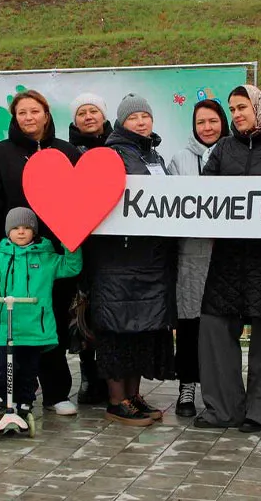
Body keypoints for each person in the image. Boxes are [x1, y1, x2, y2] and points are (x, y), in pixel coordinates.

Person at [196, 85, 261, 433]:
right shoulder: (223, 149)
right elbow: (204, 195)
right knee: (213, 327)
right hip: (226, 258)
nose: (237, 113)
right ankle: (222, 409)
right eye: (233, 108)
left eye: (243, 107)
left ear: (260, 108)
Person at [0, 90, 83, 415]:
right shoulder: (0, 154)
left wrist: (72, 241)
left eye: (34, 111)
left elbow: (81, 201)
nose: (28, 118)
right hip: (14, 256)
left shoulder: (66, 152)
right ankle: (14, 392)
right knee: (17, 327)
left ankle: (55, 393)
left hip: (52, 256)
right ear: (15, 117)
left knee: (50, 324)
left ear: (46, 115)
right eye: (22, 113)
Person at [85, 93, 176, 427]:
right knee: (117, 330)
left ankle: (134, 396)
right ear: (122, 122)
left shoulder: (156, 157)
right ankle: (115, 399)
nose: (141, 122)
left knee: (142, 330)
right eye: (134, 117)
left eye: (145, 116)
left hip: (151, 259)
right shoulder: (107, 156)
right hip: (117, 261)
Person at [0, 207, 82, 422]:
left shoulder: (46, 256)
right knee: (3, 369)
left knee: (27, 370)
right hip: (9, 328)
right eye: (16, 228)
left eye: (26, 227)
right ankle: (2, 404)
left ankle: (25, 403)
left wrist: (70, 243)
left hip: (34, 329)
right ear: (8, 232)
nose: (21, 232)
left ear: (34, 231)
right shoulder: (1, 257)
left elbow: (71, 267)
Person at [166, 99, 231, 417]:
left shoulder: (234, 154)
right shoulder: (179, 159)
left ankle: (219, 387)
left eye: (213, 121)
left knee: (220, 324)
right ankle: (187, 386)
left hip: (226, 253)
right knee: (189, 323)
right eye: (201, 122)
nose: (207, 127)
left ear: (223, 122)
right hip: (192, 253)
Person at [67, 92, 112, 405]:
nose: (88, 117)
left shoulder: (119, 147)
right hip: (79, 241)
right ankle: (87, 376)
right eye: (81, 112)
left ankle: (111, 376)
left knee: (108, 311)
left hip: (111, 243)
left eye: (93, 110)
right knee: (81, 311)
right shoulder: (66, 151)